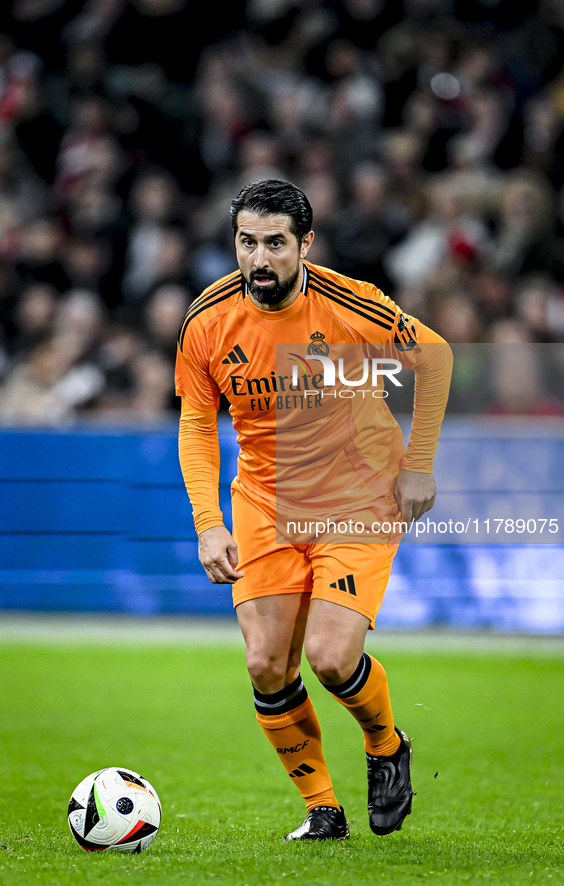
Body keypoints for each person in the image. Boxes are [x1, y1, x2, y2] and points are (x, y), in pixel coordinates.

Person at [175, 179, 453, 841]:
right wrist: (207, 524)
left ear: (305, 245)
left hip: (355, 493)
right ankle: (322, 809)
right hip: (264, 500)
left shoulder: (350, 305)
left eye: (275, 243)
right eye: (247, 242)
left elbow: (435, 358)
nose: (258, 258)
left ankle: (385, 745)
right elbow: (194, 423)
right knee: (266, 663)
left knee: (330, 658)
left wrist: (417, 465)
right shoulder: (207, 320)